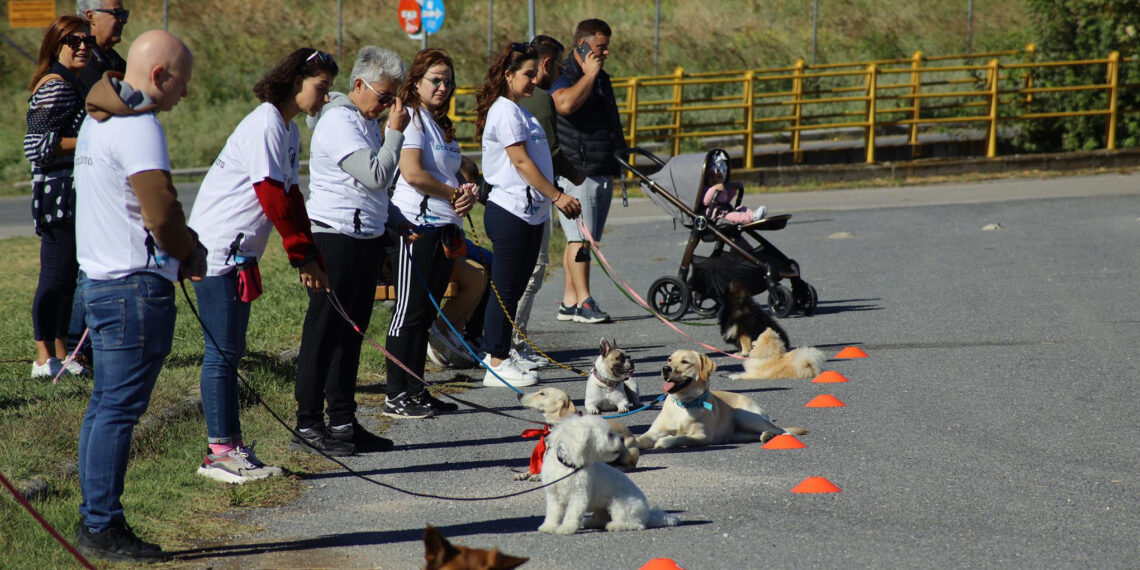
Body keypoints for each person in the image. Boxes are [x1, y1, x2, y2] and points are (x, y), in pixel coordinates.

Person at [73, 29, 203, 563]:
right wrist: (190, 251)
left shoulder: (97, 117)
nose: (185, 95)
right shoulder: (140, 126)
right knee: (118, 410)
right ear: (158, 77)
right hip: (132, 286)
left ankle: (96, 520)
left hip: (99, 285)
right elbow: (162, 212)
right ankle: (102, 526)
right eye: (183, 83)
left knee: (105, 407)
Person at [187, 48, 337, 483]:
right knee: (222, 354)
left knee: (230, 351)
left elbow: (292, 199)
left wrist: (311, 251)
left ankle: (229, 446)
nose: (325, 98)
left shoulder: (287, 130)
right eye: (321, 88)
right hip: (217, 250)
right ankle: (219, 453)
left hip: (241, 253)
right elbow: (271, 195)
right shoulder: (267, 123)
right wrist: (300, 256)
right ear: (296, 82)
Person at [293, 46, 411, 455]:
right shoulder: (339, 122)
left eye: (395, 98)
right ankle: (307, 423)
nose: (388, 106)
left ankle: (343, 421)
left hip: (364, 237)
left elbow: (374, 192)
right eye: (384, 96)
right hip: (335, 238)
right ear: (358, 85)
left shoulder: (364, 121)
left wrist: (397, 221)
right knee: (324, 333)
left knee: (352, 334)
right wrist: (395, 130)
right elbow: (377, 174)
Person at [475, 41, 581, 387]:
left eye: (536, 74)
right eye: (527, 74)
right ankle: (495, 360)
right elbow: (520, 161)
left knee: (516, 285)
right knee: (505, 288)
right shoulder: (504, 111)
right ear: (508, 75)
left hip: (528, 213)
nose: (535, 80)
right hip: (509, 211)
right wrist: (556, 195)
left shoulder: (519, 110)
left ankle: (505, 352)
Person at [383, 48, 475, 417]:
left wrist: (465, 194)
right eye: (435, 79)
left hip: (442, 228)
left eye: (448, 81)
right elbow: (413, 174)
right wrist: (453, 192)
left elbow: (447, 175)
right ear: (416, 82)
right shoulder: (412, 119)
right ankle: (395, 396)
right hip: (414, 229)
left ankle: (416, 391)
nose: (443, 86)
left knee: (424, 315)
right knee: (408, 313)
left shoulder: (438, 122)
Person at [24, 15, 94, 379]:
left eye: (87, 40)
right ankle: (41, 358)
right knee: (53, 277)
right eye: (73, 41)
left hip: (73, 192)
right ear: (56, 45)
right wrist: (90, 141)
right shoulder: (55, 84)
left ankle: (62, 353)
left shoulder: (73, 82)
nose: (83, 46)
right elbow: (34, 145)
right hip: (57, 194)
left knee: (68, 277)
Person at [514, 34, 585, 364]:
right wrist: (574, 176)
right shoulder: (540, 99)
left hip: (517, 196)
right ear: (546, 64)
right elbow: (549, 152)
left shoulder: (506, 100)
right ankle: (514, 342)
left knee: (521, 273)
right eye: (558, 65)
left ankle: (513, 341)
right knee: (531, 272)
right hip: (532, 197)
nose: (560, 72)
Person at [550, 18, 626, 324]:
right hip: (578, 171)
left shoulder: (600, 77)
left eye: (607, 47)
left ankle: (569, 300)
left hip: (600, 166)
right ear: (581, 45)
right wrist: (589, 75)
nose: (605, 53)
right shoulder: (565, 73)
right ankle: (584, 301)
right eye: (600, 47)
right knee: (580, 239)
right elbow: (564, 105)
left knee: (581, 238)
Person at [76, 0, 128, 94]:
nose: (123, 20)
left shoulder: (117, 62)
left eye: (124, 14)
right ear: (91, 16)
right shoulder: (79, 64)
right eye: (117, 13)